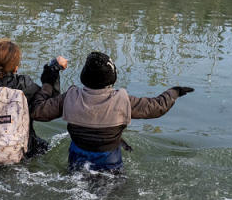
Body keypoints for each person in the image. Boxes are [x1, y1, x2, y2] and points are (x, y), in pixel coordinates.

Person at [30, 51, 194, 173]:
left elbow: (38, 111)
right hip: (110, 162)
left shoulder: (69, 97)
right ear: (112, 77)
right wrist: (174, 92)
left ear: (84, 76)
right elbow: (157, 107)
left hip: (77, 159)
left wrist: (51, 74)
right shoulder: (122, 100)